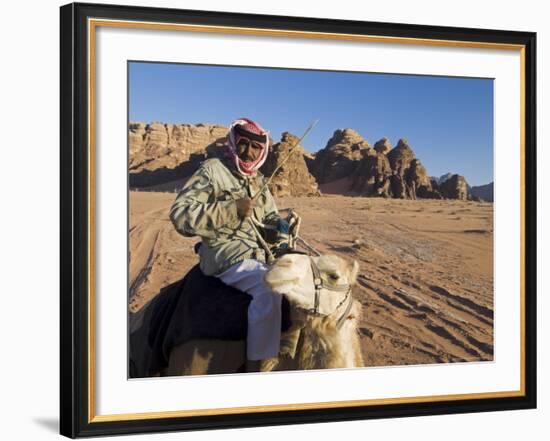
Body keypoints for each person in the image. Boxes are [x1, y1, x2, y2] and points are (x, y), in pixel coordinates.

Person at [169, 117, 289, 371]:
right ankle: (257, 367)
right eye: (243, 144)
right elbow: (181, 215)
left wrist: (278, 227)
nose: (248, 152)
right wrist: (231, 208)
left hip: (260, 255)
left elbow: (268, 217)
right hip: (226, 254)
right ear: (234, 142)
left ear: (263, 150)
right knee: (269, 290)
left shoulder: (259, 181)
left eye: (255, 147)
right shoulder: (213, 170)